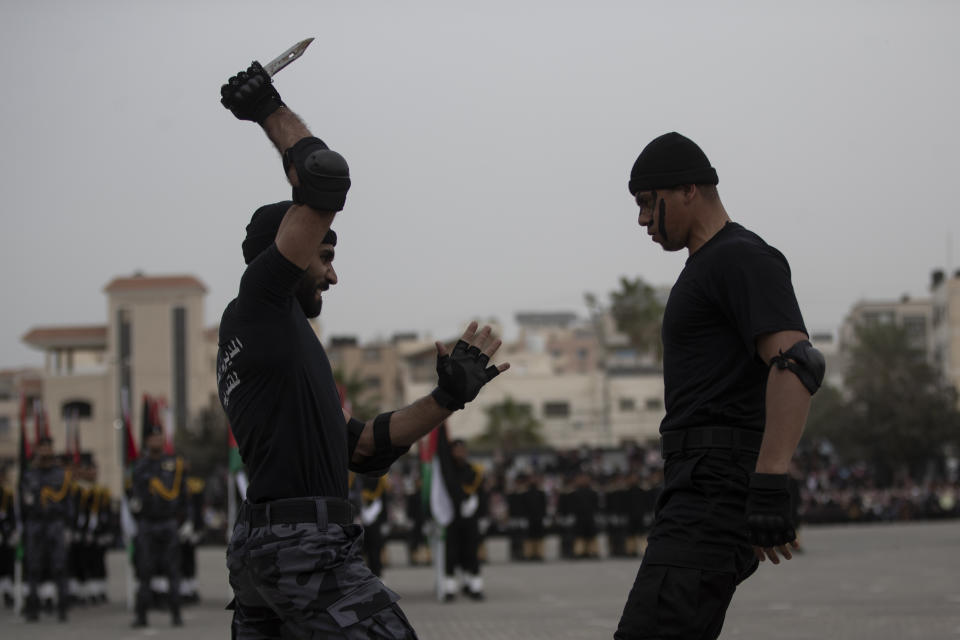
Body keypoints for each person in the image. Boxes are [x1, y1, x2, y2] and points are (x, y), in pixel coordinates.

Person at [218, 60, 509, 639]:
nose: (332, 274)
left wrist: (446, 398)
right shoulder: (260, 302)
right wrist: (270, 110)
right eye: (323, 255)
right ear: (287, 252)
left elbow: (362, 447)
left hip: (268, 545)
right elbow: (324, 177)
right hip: (302, 546)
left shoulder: (277, 340)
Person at [614, 132, 825, 639]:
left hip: (713, 489)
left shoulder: (740, 256)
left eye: (648, 202)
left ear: (689, 190)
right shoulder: (707, 265)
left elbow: (797, 363)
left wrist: (770, 480)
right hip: (695, 484)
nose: (642, 219)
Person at [130, 423, 186, 628]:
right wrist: (134, 520)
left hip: (169, 523)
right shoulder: (139, 466)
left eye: (159, 437)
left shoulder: (175, 464)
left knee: (173, 570)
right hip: (147, 523)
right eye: (152, 438)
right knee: (144, 570)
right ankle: (141, 615)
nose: (156, 441)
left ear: (163, 440)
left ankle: (176, 614)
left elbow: (183, 494)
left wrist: (185, 521)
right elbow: (133, 496)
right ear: (147, 442)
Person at [20, 435, 73, 622]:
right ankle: (32, 607)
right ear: (37, 450)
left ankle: (62, 608)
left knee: (59, 566)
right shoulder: (29, 475)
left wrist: (69, 527)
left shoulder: (61, 475)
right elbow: (23, 504)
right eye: (41, 448)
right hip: (35, 524)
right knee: (33, 567)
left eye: (48, 448)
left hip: (55, 524)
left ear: (52, 449)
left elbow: (68, 502)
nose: (45, 451)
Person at [441, 439, 485, 601]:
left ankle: (475, 586)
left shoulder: (474, 471)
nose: (459, 452)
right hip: (452, 518)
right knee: (451, 553)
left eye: (462, 449)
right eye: (456, 450)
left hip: (470, 518)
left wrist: (482, 515)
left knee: (471, 553)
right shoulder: (447, 472)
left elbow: (481, 494)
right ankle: (449, 588)